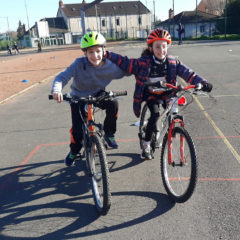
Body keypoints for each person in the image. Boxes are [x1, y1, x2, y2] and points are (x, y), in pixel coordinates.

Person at [105, 28, 213, 160]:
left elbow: (188, 73)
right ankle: (146, 144)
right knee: (155, 114)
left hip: (168, 93)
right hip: (151, 94)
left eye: (164, 46)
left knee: (174, 111)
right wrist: (108, 54)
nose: (161, 50)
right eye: (157, 47)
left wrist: (202, 82)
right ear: (150, 48)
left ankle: (169, 130)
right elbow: (126, 62)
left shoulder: (173, 62)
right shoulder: (144, 62)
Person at [51, 31, 127, 166]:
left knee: (113, 103)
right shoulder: (79, 64)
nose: (95, 55)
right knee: (78, 131)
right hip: (78, 97)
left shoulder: (109, 65)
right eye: (90, 52)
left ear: (104, 50)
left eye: (98, 51)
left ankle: (109, 133)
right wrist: (57, 90)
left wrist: (142, 72)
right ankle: (74, 151)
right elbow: (62, 77)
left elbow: (127, 70)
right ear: (85, 53)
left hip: (97, 94)